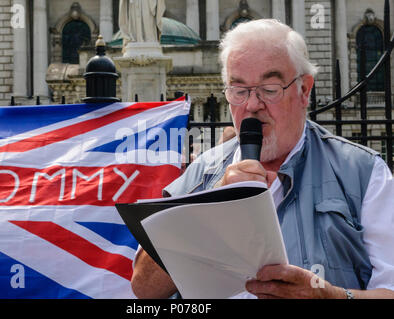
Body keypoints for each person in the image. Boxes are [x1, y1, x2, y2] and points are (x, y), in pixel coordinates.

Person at [131, 19, 394, 299]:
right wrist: (209, 207)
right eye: (239, 90)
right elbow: (144, 289)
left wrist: (331, 297)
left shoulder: (363, 173)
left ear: (304, 90)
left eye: (269, 89)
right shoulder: (201, 173)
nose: (252, 105)